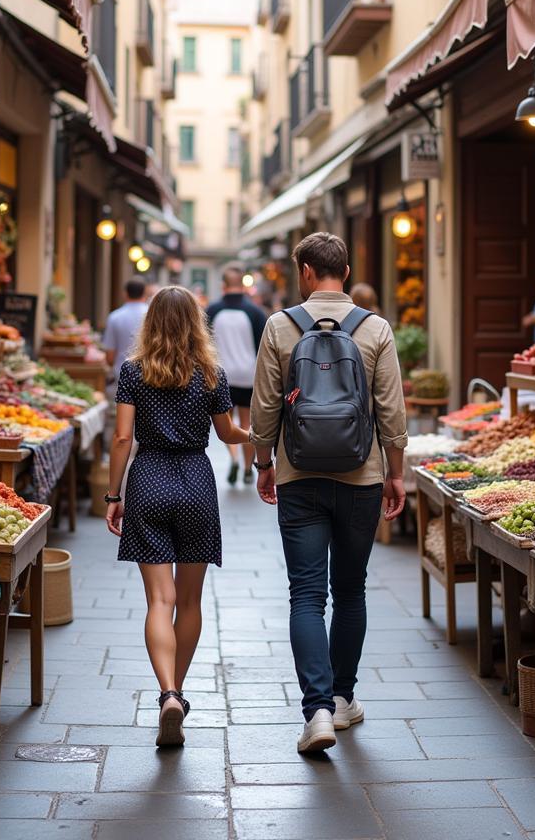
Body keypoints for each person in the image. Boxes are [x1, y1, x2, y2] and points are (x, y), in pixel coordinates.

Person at [250, 232, 408, 755]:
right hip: (361, 477)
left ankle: (316, 711)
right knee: (352, 590)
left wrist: (263, 463)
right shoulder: (375, 328)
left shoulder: (279, 325)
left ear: (306, 272)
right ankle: (343, 699)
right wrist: (395, 472)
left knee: (306, 595)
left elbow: (265, 408)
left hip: (299, 477)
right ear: (345, 268)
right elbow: (391, 413)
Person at [104, 286, 249, 747]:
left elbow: (122, 439)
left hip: (148, 479)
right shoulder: (211, 374)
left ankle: (165, 691)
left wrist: (114, 493)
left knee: (159, 602)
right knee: (189, 603)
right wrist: (259, 432)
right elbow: (228, 432)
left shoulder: (133, 372)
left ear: (150, 323)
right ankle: (179, 693)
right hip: (196, 482)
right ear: (195, 323)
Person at [206, 266, 268, 486]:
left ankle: (233, 458)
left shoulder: (212, 311)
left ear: (223, 285)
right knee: (247, 422)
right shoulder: (255, 312)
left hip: (220, 375)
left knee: (226, 421)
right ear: (243, 285)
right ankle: (247, 467)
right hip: (248, 376)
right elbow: (264, 346)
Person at [102, 277, 149, 379]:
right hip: (149, 374)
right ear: (145, 293)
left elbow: (109, 355)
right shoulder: (152, 314)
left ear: (125, 293)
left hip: (121, 375)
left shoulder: (115, 317)